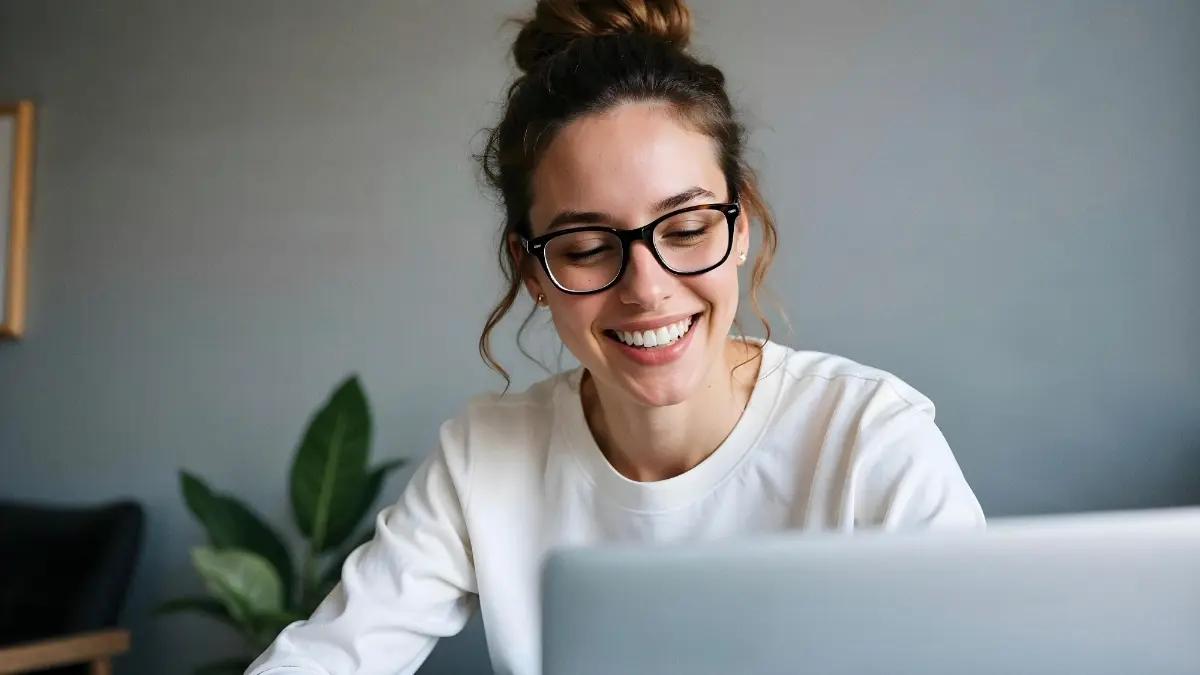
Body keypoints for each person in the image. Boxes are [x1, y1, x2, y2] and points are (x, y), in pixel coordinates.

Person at [247, 0, 985, 673]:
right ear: (531, 270)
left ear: (740, 227)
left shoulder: (869, 439)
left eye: (686, 229)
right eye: (586, 247)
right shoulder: (487, 458)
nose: (646, 287)